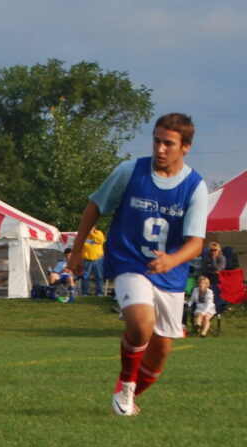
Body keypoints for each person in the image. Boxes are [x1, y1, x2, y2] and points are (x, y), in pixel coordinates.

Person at [68, 113, 208, 416]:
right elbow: (95, 206)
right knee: (141, 324)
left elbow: (196, 242)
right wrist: (76, 251)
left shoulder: (195, 187)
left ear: (184, 147)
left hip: (169, 273)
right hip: (129, 261)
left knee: (160, 353)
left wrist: (172, 259)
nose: (160, 149)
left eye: (168, 143)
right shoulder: (130, 171)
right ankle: (127, 388)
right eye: (157, 140)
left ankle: (126, 394)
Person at [81, 227, 106, 296]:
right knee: (85, 276)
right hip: (87, 259)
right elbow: (78, 242)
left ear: (94, 228)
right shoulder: (83, 234)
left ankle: (99, 292)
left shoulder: (99, 233)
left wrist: (92, 233)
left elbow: (101, 240)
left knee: (99, 276)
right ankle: (85, 292)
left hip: (98, 258)